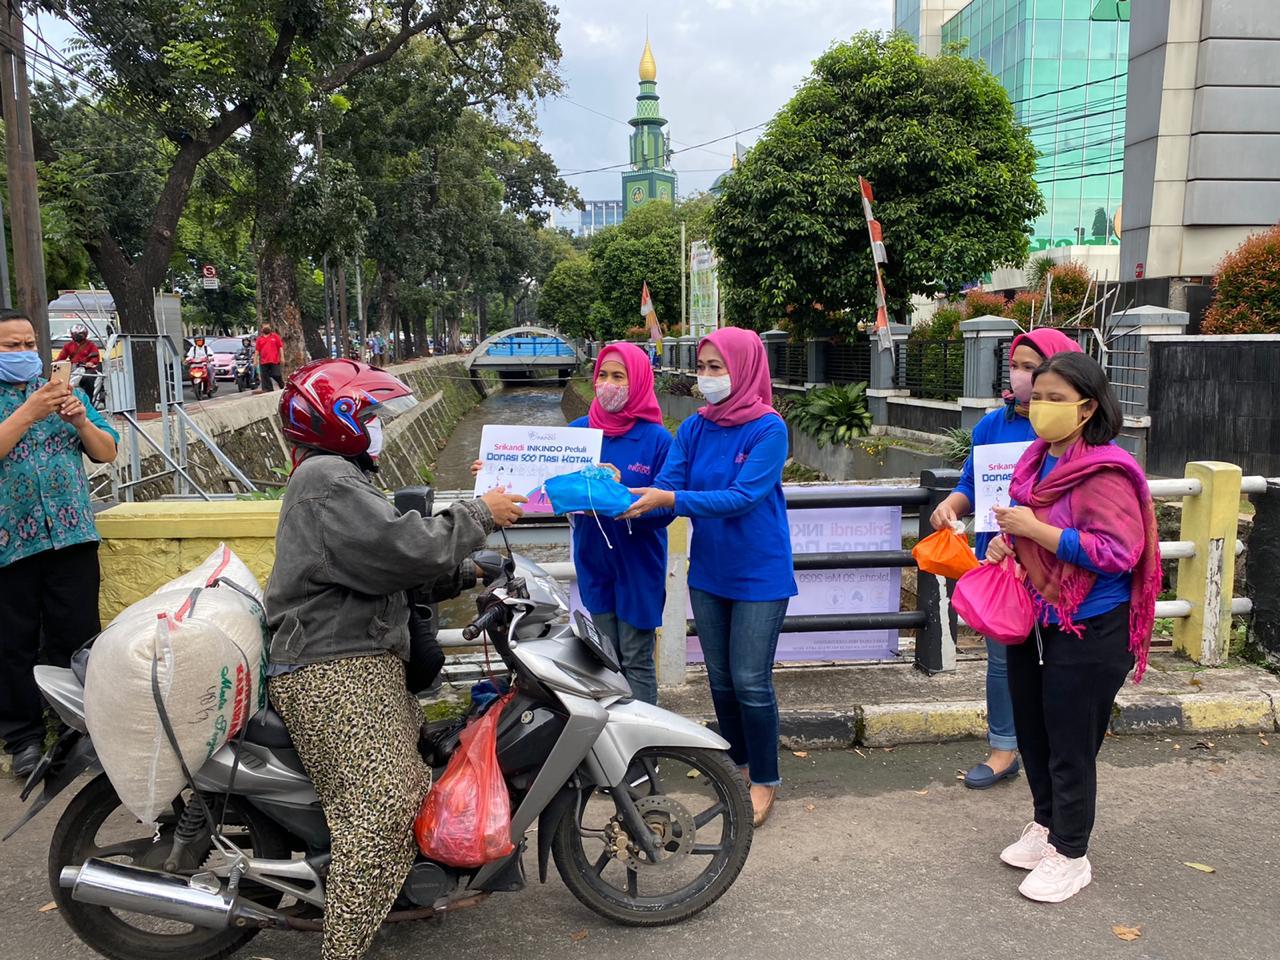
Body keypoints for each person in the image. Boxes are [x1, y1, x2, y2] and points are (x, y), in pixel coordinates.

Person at [264, 358, 525, 960]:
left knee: (430, 759)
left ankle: (395, 893)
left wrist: (465, 571)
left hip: (357, 659)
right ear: (341, 419)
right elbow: (404, 546)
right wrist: (480, 514)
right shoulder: (328, 479)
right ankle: (344, 948)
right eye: (371, 415)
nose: (379, 425)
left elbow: (379, 567)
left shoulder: (336, 477)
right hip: (329, 669)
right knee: (385, 805)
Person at [986, 351, 1159, 904]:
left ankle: (1072, 852)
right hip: (1036, 617)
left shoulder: (1105, 470)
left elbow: (1119, 552)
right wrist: (1008, 541)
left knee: (1070, 742)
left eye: (1055, 399)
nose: (1040, 407)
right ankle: (1045, 824)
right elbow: (1028, 533)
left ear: (1086, 408)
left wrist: (1036, 529)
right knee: (1034, 732)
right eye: (1037, 395)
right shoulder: (1035, 461)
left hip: (1090, 625)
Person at [623, 327, 795, 827]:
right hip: (710, 573)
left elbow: (742, 497)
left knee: (750, 681)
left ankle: (764, 779)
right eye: (701, 367)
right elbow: (666, 487)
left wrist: (670, 501)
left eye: (716, 367)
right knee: (720, 680)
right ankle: (737, 767)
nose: (706, 378)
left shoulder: (769, 428)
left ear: (743, 369)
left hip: (760, 573)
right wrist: (618, 494)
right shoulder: (695, 428)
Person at [474, 343, 673, 703]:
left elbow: (668, 507)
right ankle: (611, 746)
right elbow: (540, 481)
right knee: (603, 659)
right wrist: (493, 472)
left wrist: (624, 500)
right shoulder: (579, 434)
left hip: (640, 564)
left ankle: (646, 755)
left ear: (640, 381)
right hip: (594, 562)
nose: (607, 385)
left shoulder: (657, 439)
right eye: (602, 376)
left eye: (619, 376)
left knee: (637, 658)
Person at [930, 328, 1082, 790]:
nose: (1022, 376)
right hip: (1000, 565)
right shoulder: (992, 426)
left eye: (1032, 366)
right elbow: (972, 484)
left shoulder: (1074, 437)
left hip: (1055, 565)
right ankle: (1003, 748)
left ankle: (1056, 751)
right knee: (1003, 660)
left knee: (1059, 660)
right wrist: (951, 506)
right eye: (1015, 365)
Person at [0, 309, 118, 778]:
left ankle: (80, 734)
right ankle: (24, 741)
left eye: (29, 343)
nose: (24, 352)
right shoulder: (28, 403)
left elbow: (106, 451)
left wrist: (80, 421)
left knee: (79, 638)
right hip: (11, 543)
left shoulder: (67, 392)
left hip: (71, 535)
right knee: (13, 644)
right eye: (12, 345)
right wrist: (28, 413)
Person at [56, 324, 102, 401]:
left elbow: (95, 357)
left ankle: (89, 400)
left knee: (88, 379)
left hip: (87, 368)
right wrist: (56, 363)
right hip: (73, 368)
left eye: (80, 334)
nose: (77, 336)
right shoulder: (68, 345)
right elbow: (61, 357)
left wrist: (91, 363)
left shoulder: (91, 345)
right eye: (75, 334)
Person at [257, 323, 286, 391]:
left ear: (270, 328)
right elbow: (257, 350)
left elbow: (280, 347)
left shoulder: (275, 336)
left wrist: (282, 357)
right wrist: (255, 359)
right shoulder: (259, 339)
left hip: (274, 360)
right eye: (265, 327)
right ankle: (268, 389)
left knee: (276, 374)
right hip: (264, 360)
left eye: (268, 327)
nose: (266, 328)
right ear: (262, 329)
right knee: (264, 376)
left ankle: (281, 384)